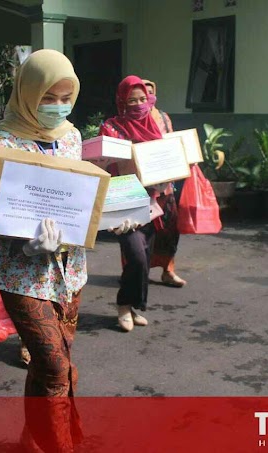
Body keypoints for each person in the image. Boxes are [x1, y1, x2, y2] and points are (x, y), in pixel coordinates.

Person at [0, 49, 89, 452]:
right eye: (49, 98)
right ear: (29, 92)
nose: (58, 107)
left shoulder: (72, 137)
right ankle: (57, 444)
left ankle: (32, 439)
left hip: (70, 271)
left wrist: (113, 214)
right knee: (54, 365)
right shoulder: (2, 143)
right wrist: (27, 244)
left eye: (66, 98)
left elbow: (77, 199)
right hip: (22, 273)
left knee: (50, 364)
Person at [99, 75, 173, 332]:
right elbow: (104, 164)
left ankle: (134, 305)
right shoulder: (111, 128)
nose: (139, 105)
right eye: (132, 100)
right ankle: (123, 305)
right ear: (122, 101)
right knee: (137, 256)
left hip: (153, 201)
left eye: (143, 99)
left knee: (144, 255)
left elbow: (168, 160)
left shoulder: (156, 127)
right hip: (123, 200)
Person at [143, 79, 186, 287]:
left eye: (151, 93)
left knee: (169, 229)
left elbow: (172, 144)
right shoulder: (126, 120)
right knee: (140, 235)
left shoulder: (163, 117)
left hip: (165, 185)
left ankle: (168, 270)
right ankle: (135, 274)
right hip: (140, 188)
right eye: (143, 94)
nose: (148, 98)